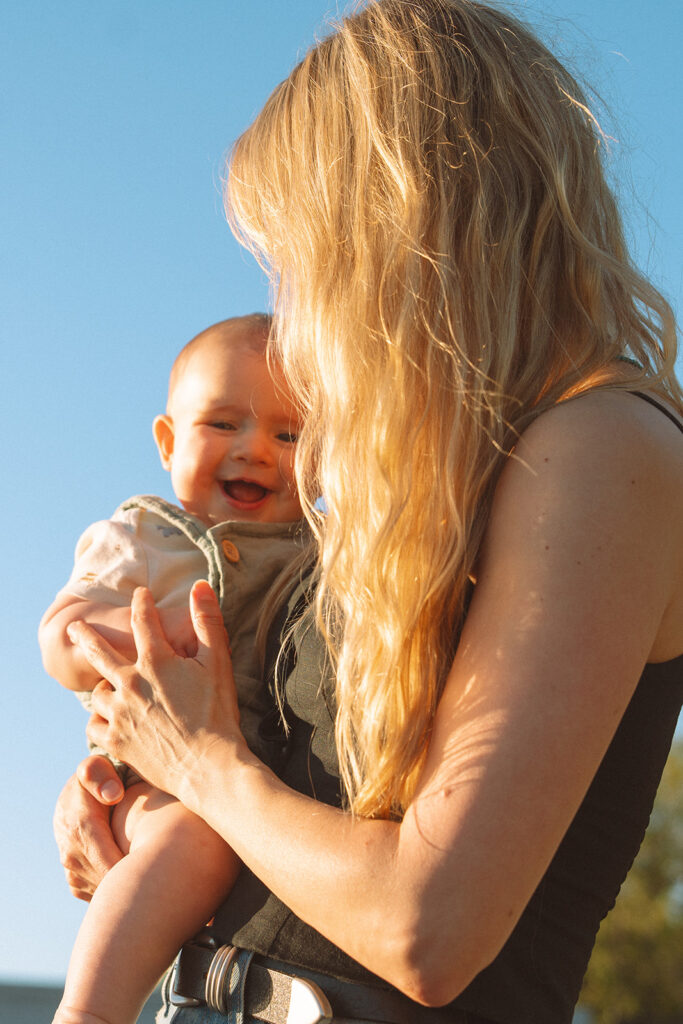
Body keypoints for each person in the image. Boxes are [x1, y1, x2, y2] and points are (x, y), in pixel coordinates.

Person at [54, 2, 683, 1023]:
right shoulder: (396, 494)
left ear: (392, 232)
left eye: (300, 259)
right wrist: (133, 794)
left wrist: (201, 766)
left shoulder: (602, 447)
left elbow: (425, 927)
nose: (293, 318)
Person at [40, 314, 306, 1024]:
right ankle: (91, 1010)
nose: (254, 451)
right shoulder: (146, 539)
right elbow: (57, 636)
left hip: (253, 780)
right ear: (167, 441)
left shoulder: (318, 552)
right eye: (223, 424)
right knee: (191, 844)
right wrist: (138, 638)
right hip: (150, 772)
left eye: (289, 436)